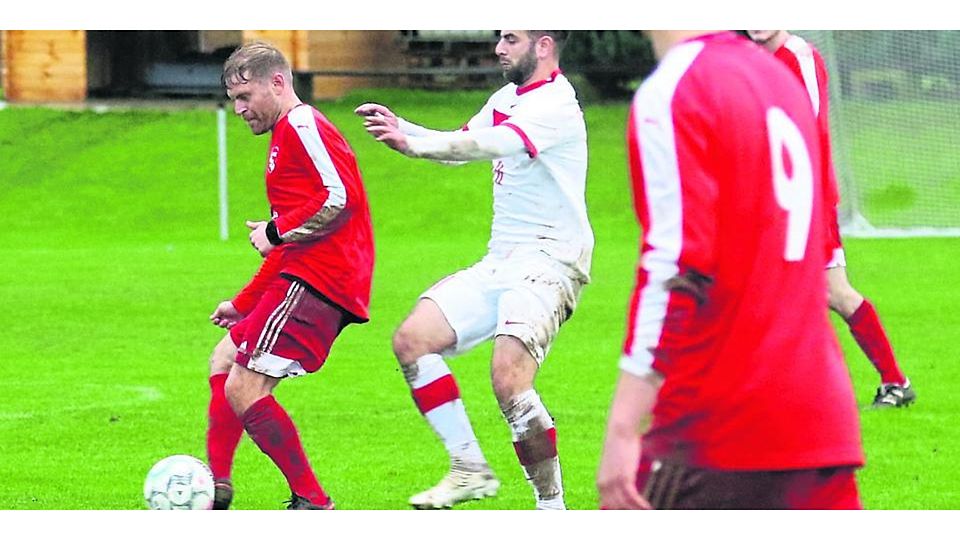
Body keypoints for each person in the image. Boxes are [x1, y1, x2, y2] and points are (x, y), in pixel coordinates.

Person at [596, 31, 864, 510]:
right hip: (821, 418)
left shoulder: (679, 85)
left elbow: (677, 264)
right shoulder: (778, 79)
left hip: (719, 422)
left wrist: (623, 423)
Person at [354, 30, 591, 510]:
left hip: (550, 261)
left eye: (510, 38)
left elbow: (490, 146)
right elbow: (463, 141)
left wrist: (414, 147)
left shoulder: (557, 105)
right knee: (412, 340)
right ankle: (469, 469)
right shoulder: (507, 97)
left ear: (543, 46)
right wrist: (404, 128)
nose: (499, 48)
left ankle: (553, 510)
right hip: (502, 261)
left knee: (508, 377)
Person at [204, 41, 375, 510]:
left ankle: (312, 501)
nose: (238, 109)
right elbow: (290, 242)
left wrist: (275, 231)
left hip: (323, 280)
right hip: (305, 274)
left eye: (245, 96)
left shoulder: (302, 124)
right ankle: (215, 486)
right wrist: (243, 302)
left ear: (278, 83)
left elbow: (339, 198)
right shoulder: (283, 137)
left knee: (244, 385)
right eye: (232, 100)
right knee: (225, 358)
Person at [747, 30, 915, 408]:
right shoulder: (754, 60)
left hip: (806, 201)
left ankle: (889, 382)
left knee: (827, 293)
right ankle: (888, 383)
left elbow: (806, 131)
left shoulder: (798, 57)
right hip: (773, 202)